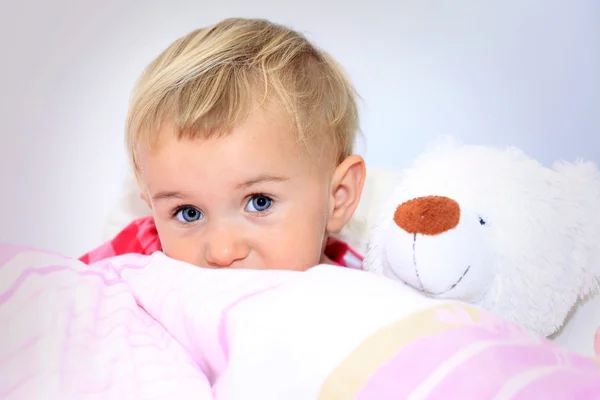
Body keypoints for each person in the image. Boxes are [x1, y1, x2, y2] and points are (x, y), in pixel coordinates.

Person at [80, 17, 366, 270]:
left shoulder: (365, 300)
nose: (222, 252)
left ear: (338, 198)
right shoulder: (135, 262)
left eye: (259, 202)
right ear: (152, 208)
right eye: (188, 213)